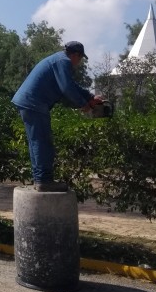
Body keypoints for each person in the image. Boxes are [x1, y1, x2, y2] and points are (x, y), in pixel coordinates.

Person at [12, 41, 102, 192]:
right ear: (75, 55)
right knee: (42, 143)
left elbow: (71, 85)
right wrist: (83, 104)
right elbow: (66, 88)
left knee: (37, 142)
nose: (78, 63)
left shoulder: (58, 60)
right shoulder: (63, 61)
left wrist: (90, 97)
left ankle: (40, 179)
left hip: (29, 102)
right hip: (34, 103)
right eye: (80, 59)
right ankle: (43, 181)